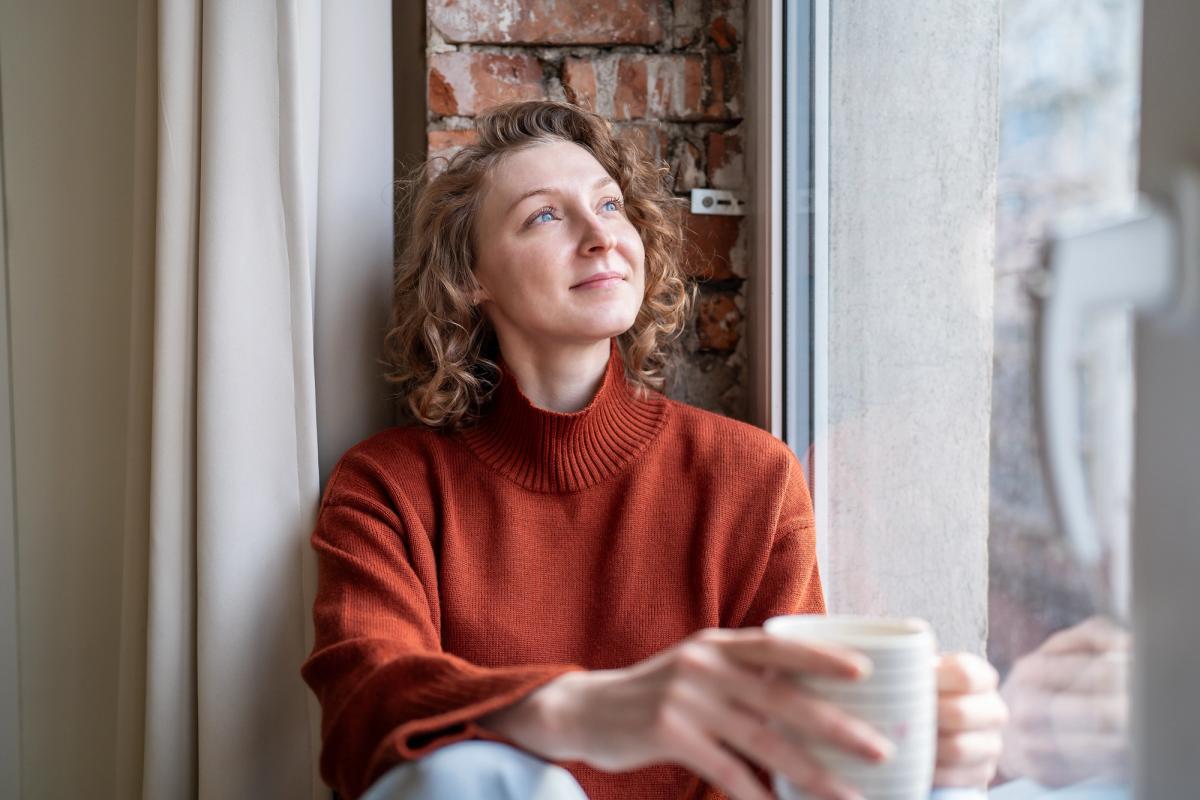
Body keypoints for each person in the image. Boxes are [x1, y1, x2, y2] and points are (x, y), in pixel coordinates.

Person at [300, 100, 1007, 800]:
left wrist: (938, 751)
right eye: (545, 216)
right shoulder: (389, 485)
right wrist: (577, 711)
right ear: (471, 278)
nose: (600, 237)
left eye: (610, 207)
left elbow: (794, 747)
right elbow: (366, 709)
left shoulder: (751, 476)